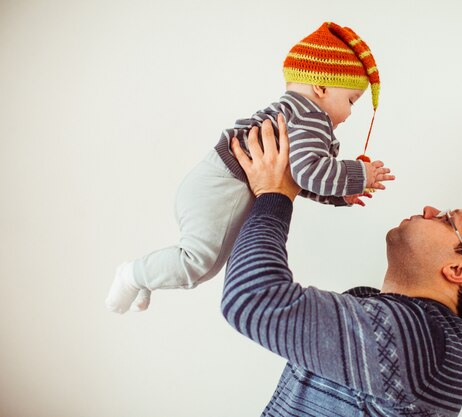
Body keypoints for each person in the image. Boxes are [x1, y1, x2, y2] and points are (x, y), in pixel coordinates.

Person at [223, 117, 462, 416]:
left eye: (448, 219)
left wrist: (274, 195)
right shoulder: (406, 331)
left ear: (458, 270)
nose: (430, 210)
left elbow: (251, 298)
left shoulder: (423, 342)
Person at [105, 22, 394, 313]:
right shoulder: (312, 117)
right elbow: (310, 172)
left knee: (203, 267)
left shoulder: (294, 112)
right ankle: (132, 275)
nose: (349, 113)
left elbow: (296, 175)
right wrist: (360, 175)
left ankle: (146, 279)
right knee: (196, 265)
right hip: (222, 188)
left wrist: (338, 195)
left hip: (211, 185)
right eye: (351, 101)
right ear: (321, 87)